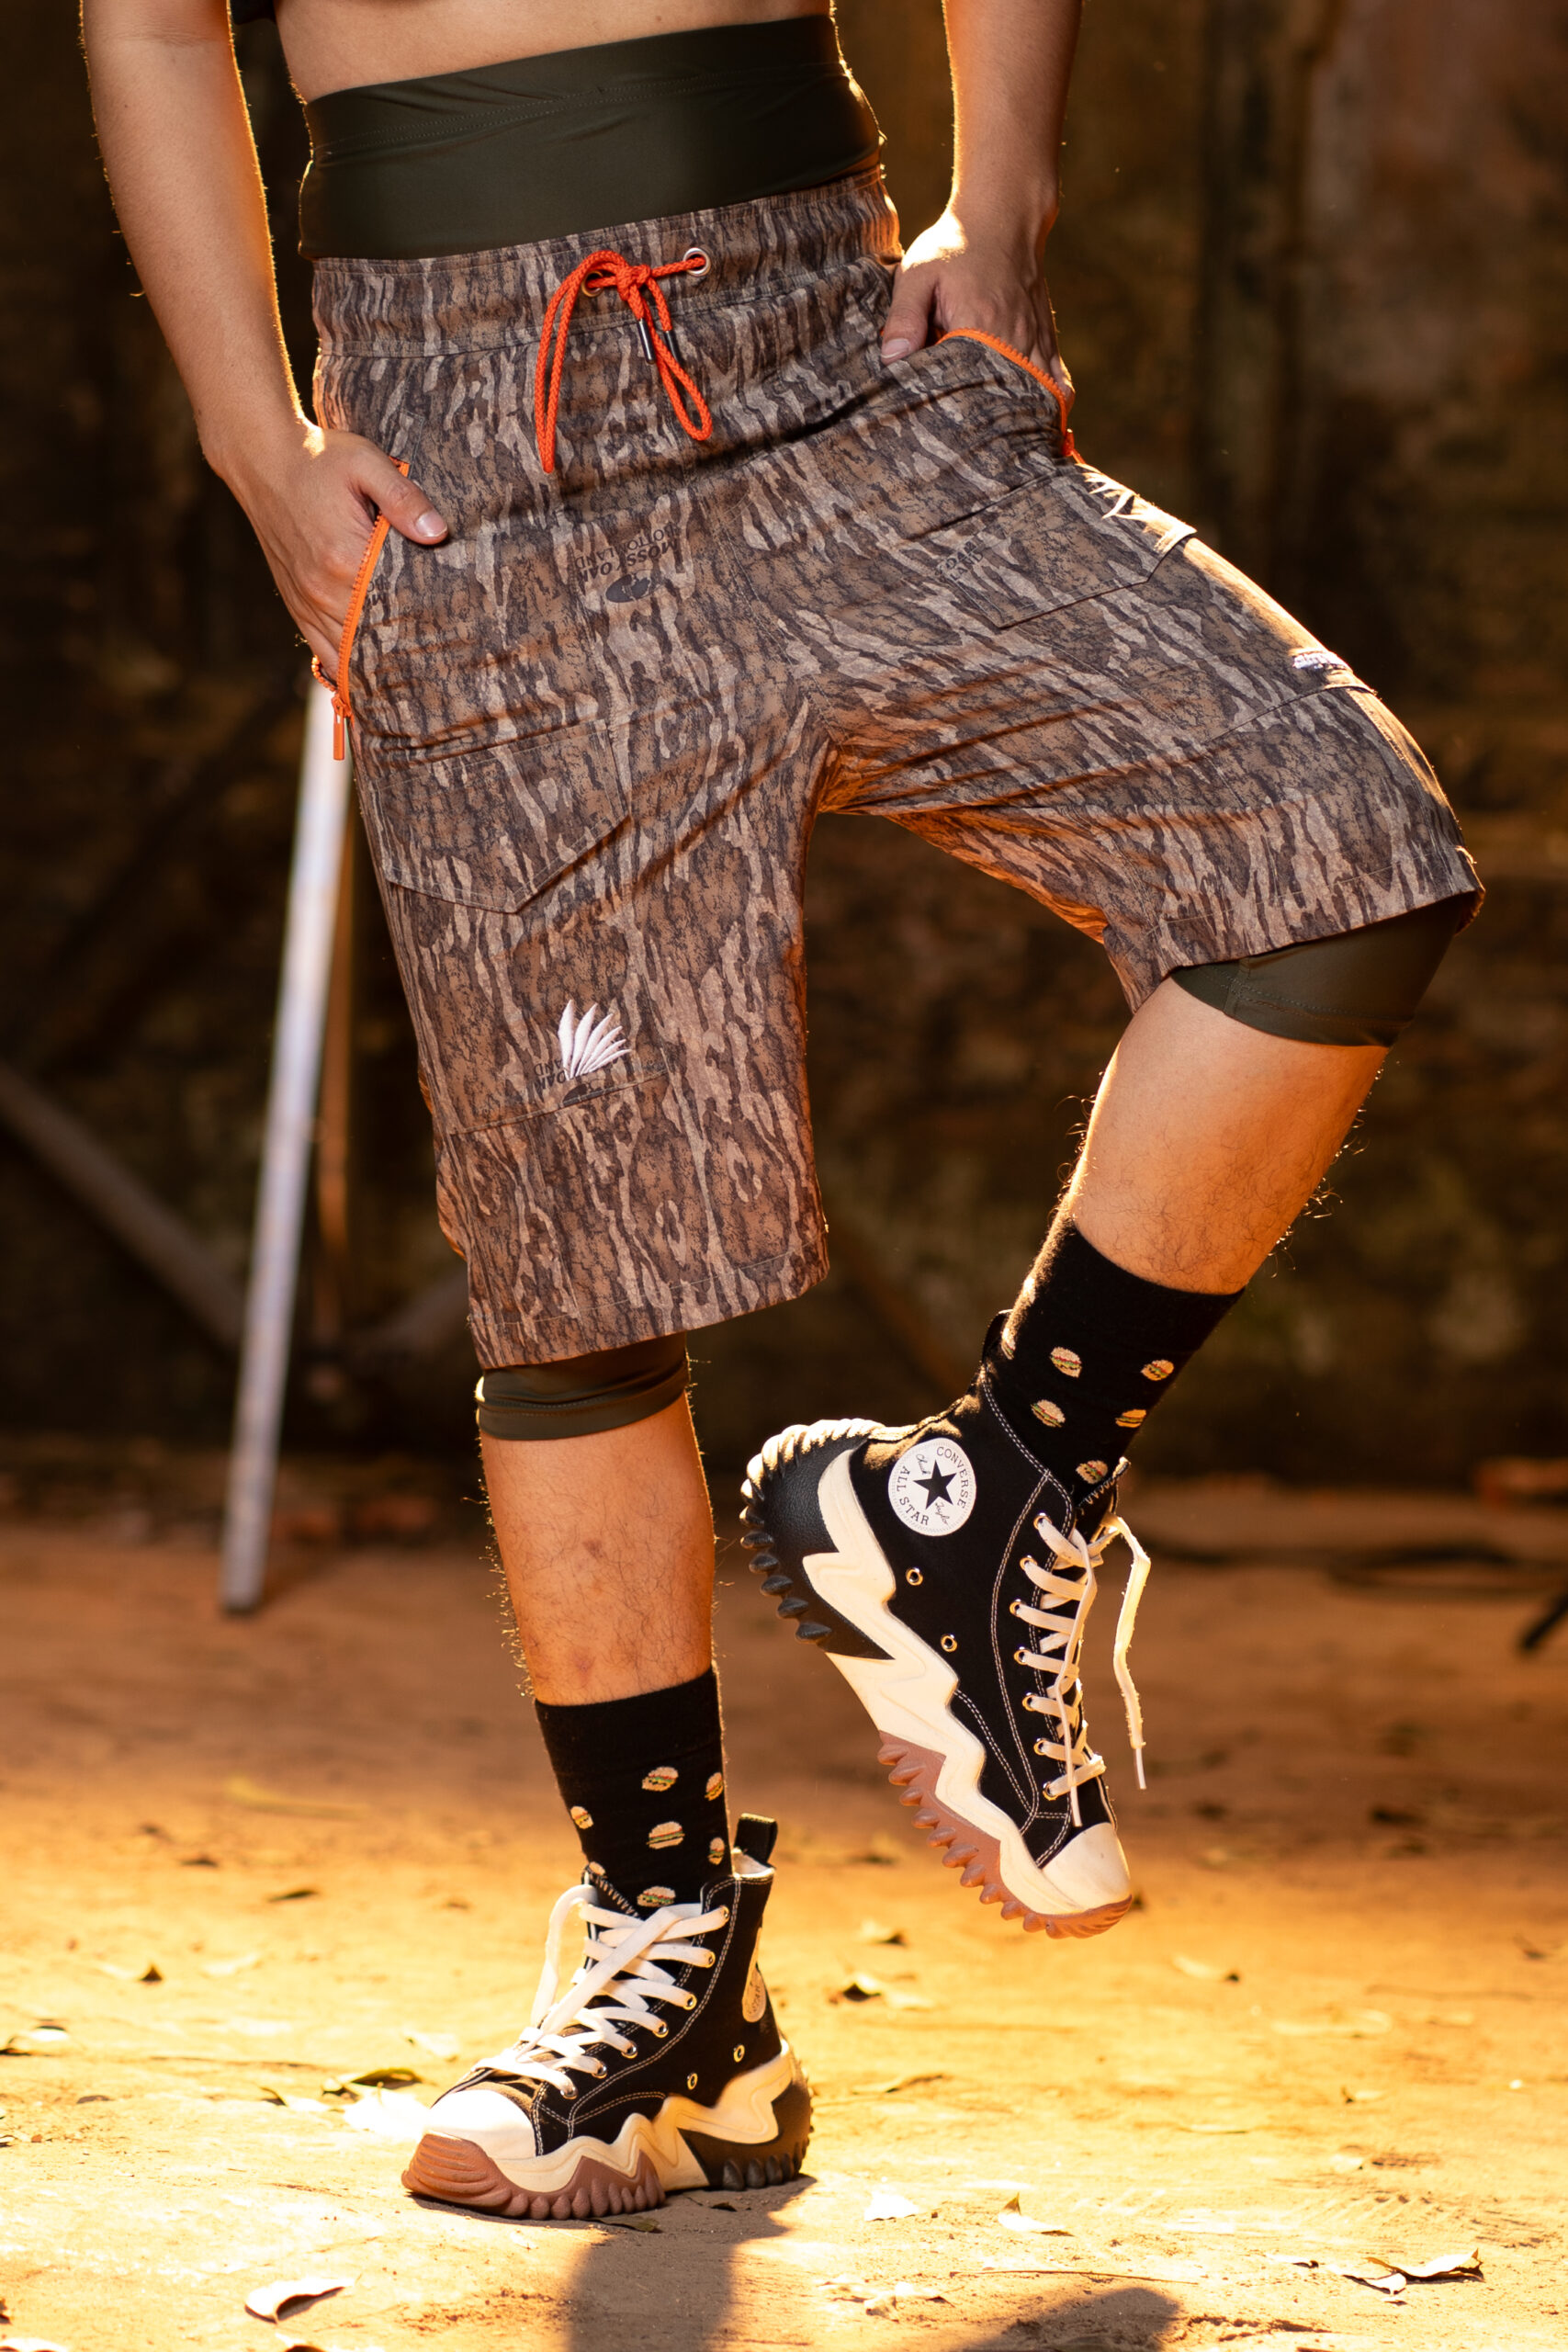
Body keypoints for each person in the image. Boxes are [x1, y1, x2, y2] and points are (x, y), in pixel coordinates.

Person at [82, 0, 1477, 2222]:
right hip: (475, 430)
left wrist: (1000, 196)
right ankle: (670, 1961)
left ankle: (981, 1497)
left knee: (1333, 850)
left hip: (832, 338)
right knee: (577, 1256)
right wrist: (254, 441)